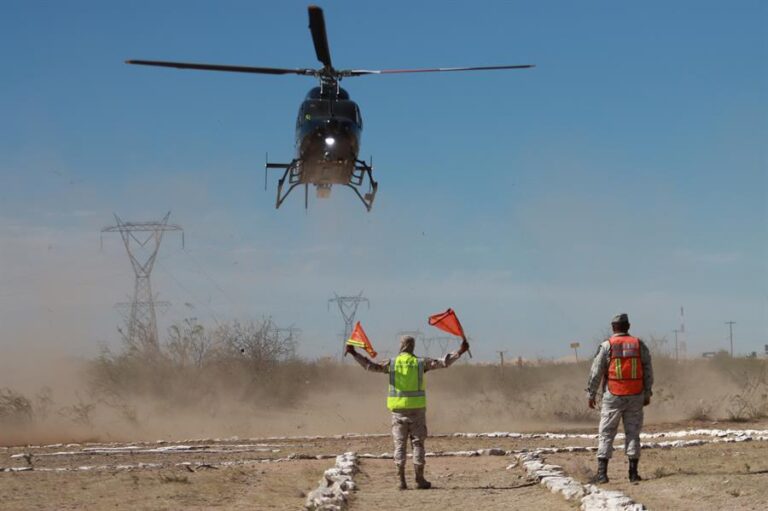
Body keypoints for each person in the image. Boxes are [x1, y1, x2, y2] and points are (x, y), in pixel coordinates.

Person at [346, 334, 470, 490]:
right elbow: (443, 362)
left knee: (399, 445)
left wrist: (353, 353)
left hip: (398, 411)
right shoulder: (420, 363)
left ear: (401, 346)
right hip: (417, 411)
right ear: (413, 346)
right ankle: (419, 479)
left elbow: (370, 366)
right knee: (418, 444)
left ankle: (401, 480)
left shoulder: (392, 363)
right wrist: (461, 351)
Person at [587, 313, 653, 484]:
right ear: (628, 326)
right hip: (636, 394)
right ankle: (633, 473)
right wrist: (647, 393)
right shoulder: (639, 344)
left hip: (613, 395)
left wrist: (591, 393)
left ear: (613, 327)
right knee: (633, 433)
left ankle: (602, 474)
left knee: (606, 433)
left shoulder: (607, 345)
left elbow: (596, 372)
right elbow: (647, 370)